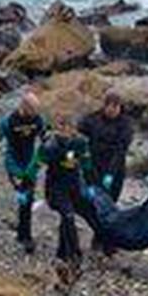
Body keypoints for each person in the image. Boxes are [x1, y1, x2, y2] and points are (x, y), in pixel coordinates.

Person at [0, 90, 50, 253]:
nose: (34, 115)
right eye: (32, 111)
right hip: (13, 164)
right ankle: (26, 237)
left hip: (30, 163)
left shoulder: (38, 120)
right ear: (23, 107)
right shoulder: (8, 122)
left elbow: (46, 139)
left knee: (28, 197)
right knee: (25, 195)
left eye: (36, 112)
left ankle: (22, 233)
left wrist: (49, 156)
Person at [40, 113, 97, 263]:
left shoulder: (80, 143)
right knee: (68, 216)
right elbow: (36, 164)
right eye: (61, 126)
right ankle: (74, 254)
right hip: (55, 188)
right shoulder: (51, 144)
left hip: (74, 187)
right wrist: (24, 186)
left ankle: (62, 253)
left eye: (68, 127)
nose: (65, 130)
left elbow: (87, 165)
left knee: (78, 217)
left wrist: (91, 185)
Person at [79, 92, 133, 202]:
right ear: (104, 106)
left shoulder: (125, 124)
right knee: (92, 200)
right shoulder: (93, 119)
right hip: (95, 164)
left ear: (119, 107)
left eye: (115, 107)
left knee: (110, 200)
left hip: (115, 165)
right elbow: (79, 131)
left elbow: (121, 150)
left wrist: (111, 173)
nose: (111, 110)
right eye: (109, 106)